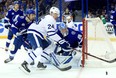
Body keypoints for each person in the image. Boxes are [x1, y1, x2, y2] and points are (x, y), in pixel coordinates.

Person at [20, 7, 72, 73]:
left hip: (39, 35)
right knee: (39, 49)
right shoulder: (50, 19)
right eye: (56, 14)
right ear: (52, 13)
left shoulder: (51, 20)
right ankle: (25, 63)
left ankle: (40, 63)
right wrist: (61, 41)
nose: (57, 16)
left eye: (58, 14)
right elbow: (51, 33)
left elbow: (49, 33)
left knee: (51, 46)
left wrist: (58, 41)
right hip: (34, 33)